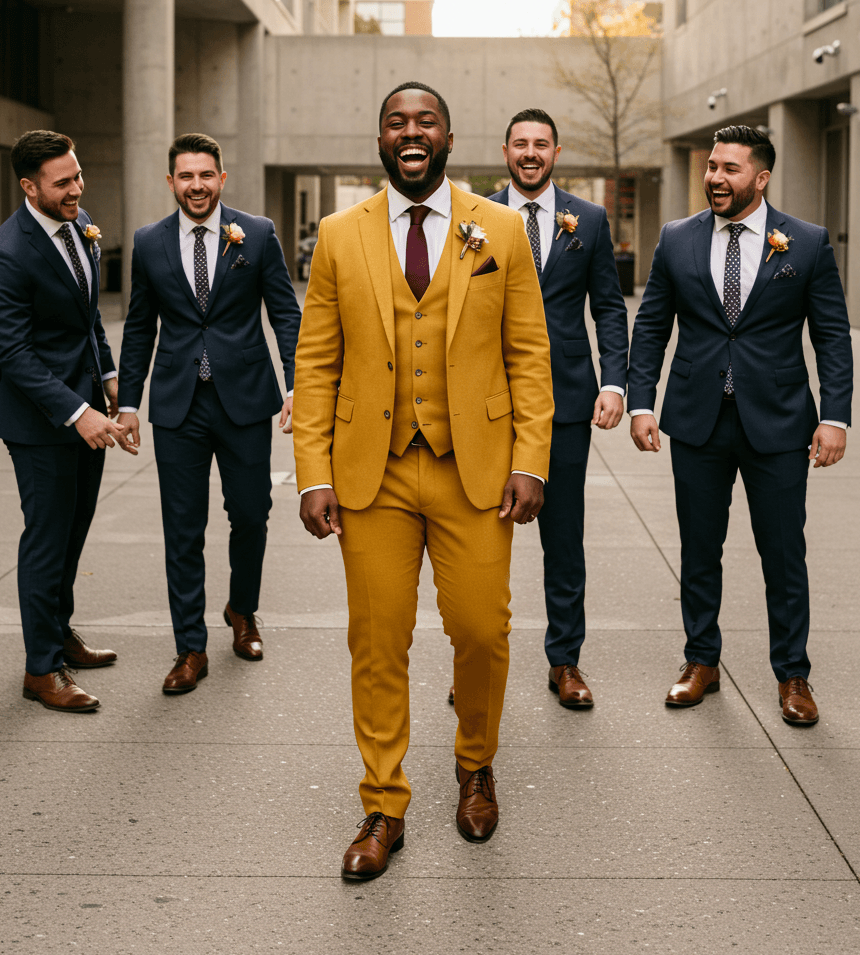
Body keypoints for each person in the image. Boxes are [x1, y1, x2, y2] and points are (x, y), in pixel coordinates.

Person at [293, 82, 554, 881]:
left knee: (481, 631)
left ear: (447, 136)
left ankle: (475, 763)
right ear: (381, 139)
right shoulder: (340, 235)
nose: (411, 133)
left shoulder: (499, 227)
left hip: (474, 471)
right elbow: (316, 361)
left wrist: (529, 458)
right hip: (370, 475)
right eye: (396, 122)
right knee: (377, 642)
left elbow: (529, 355)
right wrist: (310, 474)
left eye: (425, 122)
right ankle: (383, 801)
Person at [628, 125, 852, 724]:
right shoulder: (677, 238)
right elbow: (652, 326)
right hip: (697, 420)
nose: (714, 178)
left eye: (728, 169)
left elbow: (831, 336)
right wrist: (641, 402)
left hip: (779, 425)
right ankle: (701, 661)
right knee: (699, 549)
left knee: (783, 554)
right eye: (710, 168)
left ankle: (793, 675)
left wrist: (834, 417)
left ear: (761, 177)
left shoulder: (804, 243)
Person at [116, 133, 300, 694]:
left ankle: (242, 611)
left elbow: (285, 315)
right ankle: (189, 648)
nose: (196, 185)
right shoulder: (148, 243)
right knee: (182, 528)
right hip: (178, 404)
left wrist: (299, 386)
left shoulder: (259, 233)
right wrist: (127, 402)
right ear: (171, 182)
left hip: (244, 399)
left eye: (206, 175)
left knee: (251, 514)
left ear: (222, 178)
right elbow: (140, 325)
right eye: (185, 176)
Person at [0, 130, 134, 713]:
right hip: (41, 423)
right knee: (46, 540)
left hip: (90, 405)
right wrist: (78, 412)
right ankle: (41, 671)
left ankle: (59, 633)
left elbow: (88, 318)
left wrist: (110, 380)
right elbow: (14, 355)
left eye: (78, 176)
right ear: (29, 186)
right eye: (63, 182)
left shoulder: (80, 223)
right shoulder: (5, 253)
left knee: (73, 532)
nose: (77, 189)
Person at [485, 108, 629, 708]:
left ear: (555, 152)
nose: (530, 152)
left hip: (567, 398)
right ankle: (477, 659)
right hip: (489, 401)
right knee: (479, 539)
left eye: (540, 144)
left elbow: (609, 307)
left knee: (563, 538)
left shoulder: (588, 220)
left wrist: (615, 382)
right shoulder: (476, 217)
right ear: (505, 150)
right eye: (520, 143)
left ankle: (564, 660)